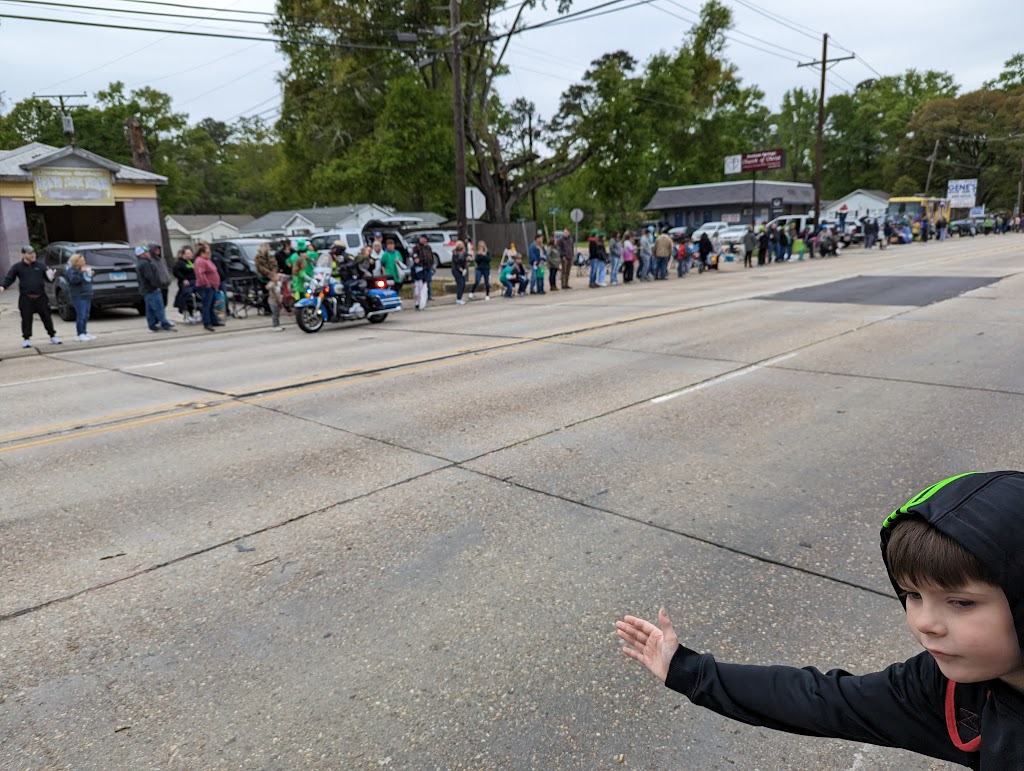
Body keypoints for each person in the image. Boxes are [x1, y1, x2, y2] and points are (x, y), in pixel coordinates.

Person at [617, 470, 1024, 768]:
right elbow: (824, 700)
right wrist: (687, 671)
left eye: (961, 602)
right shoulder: (949, 689)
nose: (925, 622)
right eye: (913, 595)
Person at [1, 246, 61, 347]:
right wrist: (3, 286)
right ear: (24, 254)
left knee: (47, 317)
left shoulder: (41, 265)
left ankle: (53, 336)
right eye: (29, 253)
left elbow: (48, 278)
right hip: (26, 298)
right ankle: (26, 339)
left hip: (41, 297)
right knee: (26, 319)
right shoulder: (17, 267)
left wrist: (52, 276)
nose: (33, 255)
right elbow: (10, 278)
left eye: (33, 252)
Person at [135, 245, 176, 332]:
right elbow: (150, 277)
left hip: (146, 290)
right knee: (159, 307)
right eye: (145, 252)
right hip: (152, 289)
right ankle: (165, 324)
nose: (147, 253)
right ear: (141, 254)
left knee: (150, 309)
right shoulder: (145, 263)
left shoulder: (140, 263)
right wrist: (157, 285)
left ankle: (152, 324)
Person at [65, 253, 95, 341]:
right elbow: (74, 280)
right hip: (78, 295)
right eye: (82, 260)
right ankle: (80, 333)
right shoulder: (71, 270)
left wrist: (90, 274)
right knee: (81, 315)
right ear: (76, 262)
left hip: (87, 294)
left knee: (86, 315)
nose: (84, 262)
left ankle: (85, 332)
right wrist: (82, 272)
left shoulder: (84, 269)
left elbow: (88, 280)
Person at [194, 243, 220, 332]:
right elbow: (200, 274)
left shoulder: (207, 260)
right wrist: (206, 283)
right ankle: (207, 323)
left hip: (212, 286)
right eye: (207, 252)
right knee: (206, 305)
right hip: (205, 287)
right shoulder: (200, 261)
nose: (209, 254)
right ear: (202, 253)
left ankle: (214, 320)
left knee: (212, 304)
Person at [172, 246, 198, 322]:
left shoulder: (192, 261)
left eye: (191, 253)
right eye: (188, 253)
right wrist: (183, 279)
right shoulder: (179, 263)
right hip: (185, 283)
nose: (190, 255)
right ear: (184, 254)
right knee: (188, 295)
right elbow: (176, 272)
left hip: (195, 281)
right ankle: (188, 312)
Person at [411, 234, 435, 303]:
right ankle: (421, 296)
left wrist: (432, 264)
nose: (423, 240)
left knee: (428, 281)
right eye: (422, 238)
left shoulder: (428, 247)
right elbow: (414, 255)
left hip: (429, 266)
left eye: (424, 238)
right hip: (421, 267)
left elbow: (431, 255)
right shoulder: (417, 247)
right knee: (423, 282)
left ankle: (428, 295)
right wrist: (417, 260)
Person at [450, 240, 469, 305]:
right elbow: (456, 262)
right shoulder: (455, 253)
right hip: (456, 270)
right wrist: (460, 269)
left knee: (463, 284)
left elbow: (466, 259)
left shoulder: (464, 253)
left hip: (462, 270)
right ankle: (458, 299)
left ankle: (460, 297)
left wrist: (467, 258)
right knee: (460, 283)